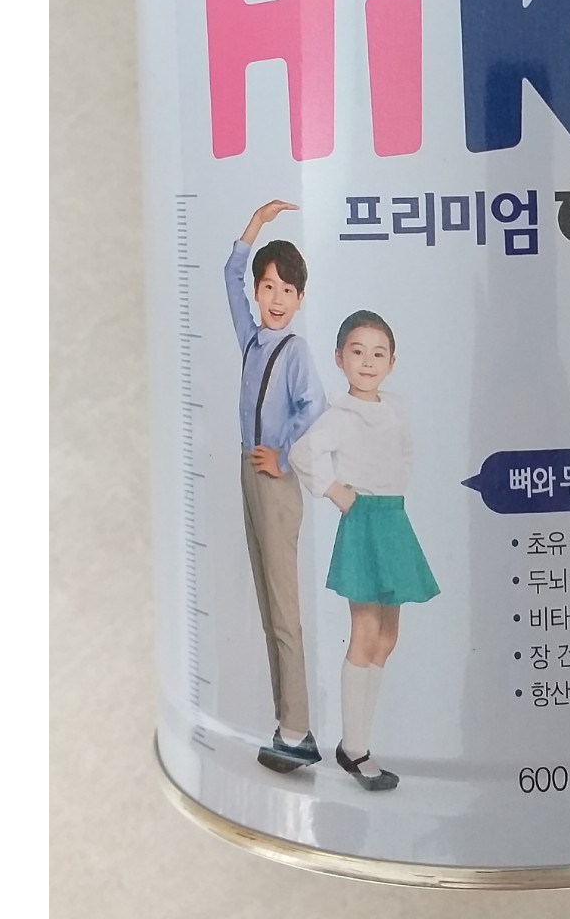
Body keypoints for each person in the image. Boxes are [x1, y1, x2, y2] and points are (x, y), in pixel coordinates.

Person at [291, 311, 439, 792]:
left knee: (388, 636)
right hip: (365, 520)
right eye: (357, 352)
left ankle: (359, 740)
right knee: (365, 630)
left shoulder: (394, 409)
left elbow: (406, 452)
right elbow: (303, 452)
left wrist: (394, 487)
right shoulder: (341, 415)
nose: (368, 362)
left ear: (392, 362)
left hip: (393, 518)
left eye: (379, 353)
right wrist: (336, 490)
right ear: (340, 359)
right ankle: (355, 747)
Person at [225, 200, 327, 773]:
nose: (277, 298)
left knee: (284, 608)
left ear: (300, 299)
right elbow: (228, 277)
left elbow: (314, 406)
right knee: (268, 604)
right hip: (248, 469)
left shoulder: (295, 351)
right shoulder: (251, 339)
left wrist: (282, 453)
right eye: (268, 287)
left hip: (275, 480)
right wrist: (257, 225)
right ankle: (285, 724)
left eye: (288, 290)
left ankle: (298, 728)